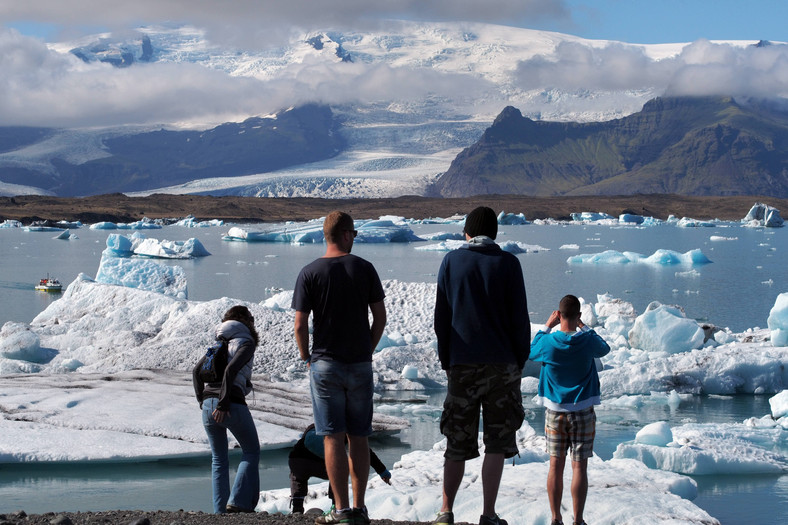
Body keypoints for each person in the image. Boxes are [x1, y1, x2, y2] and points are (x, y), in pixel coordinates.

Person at [432, 206, 530, 525]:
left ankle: (446, 511)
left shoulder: (451, 262)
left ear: (467, 232)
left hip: (462, 364)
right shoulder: (509, 264)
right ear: (495, 233)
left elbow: (441, 320)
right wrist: (519, 360)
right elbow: (520, 321)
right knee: (497, 443)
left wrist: (448, 360)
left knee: (457, 442)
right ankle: (488, 514)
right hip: (503, 365)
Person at [292, 210, 387, 525]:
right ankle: (359, 508)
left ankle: (342, 510)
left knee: (333, 437)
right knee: (359, 436)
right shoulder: (365, 269)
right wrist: (367, 349)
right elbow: (380, 317)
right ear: (346, 234)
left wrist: (307, 356)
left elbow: (300, 324)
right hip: (359, 363)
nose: (354, 238)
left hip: (325, 365)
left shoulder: (310, 272)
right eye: (355, 233)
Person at [529, 295, 611, 525]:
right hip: (583, 410)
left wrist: (546, 325)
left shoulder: (548, 342)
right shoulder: (586, 341)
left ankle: (556, 518)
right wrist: (584, 327)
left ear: (559, 314)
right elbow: (604, 348)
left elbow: (532, 350)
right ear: (579, 315)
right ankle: (579, 520)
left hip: (555, 411)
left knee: (555, 465)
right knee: (579, 467)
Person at [192, 305, 261, 514]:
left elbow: (196, 371)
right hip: (230, 404)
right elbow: (231, 370)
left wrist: (202, 402)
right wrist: (222, 403)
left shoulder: (218, 344)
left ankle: (220, 512)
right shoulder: (246, 342)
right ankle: (238, 502)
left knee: (219, 459)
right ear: (245, 321)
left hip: (208, 406)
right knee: (251, 450)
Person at [289, 423, 392, 514]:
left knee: (297, 477)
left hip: (298, 461)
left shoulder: (310, 431)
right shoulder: (339, 431)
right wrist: (383, 471)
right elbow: (365, 452)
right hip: (324, 466)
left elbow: (296, 451)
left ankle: (297, 507)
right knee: (337, 470)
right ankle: (337, 507)